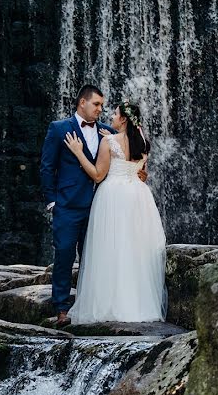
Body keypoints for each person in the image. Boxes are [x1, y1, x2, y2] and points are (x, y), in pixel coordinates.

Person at [39, 85, 147, 327]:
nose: (101, 109)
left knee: (96, 256)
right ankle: (62, 309)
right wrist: (52, 201)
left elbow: (125, 157)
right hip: (66, 205)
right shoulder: (59, 129)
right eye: (97, 104)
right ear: (82, 103)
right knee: (65, 253)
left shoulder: (108, 133)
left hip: (99, 207)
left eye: (102, 105)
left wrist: (137, 174)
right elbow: (47, 166)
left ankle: (94, 305)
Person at [61, 100, 166, 325]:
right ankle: (137, 305)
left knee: (110, 248)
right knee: (133, 250)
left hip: (113, 196)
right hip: (138, 196)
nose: (111, 116)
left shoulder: (108, 142)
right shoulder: (144, 143)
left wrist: (79, 152)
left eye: (115, 114)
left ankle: (109, 304)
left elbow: (98, 175)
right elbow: (140, 171)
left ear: (124, 119)